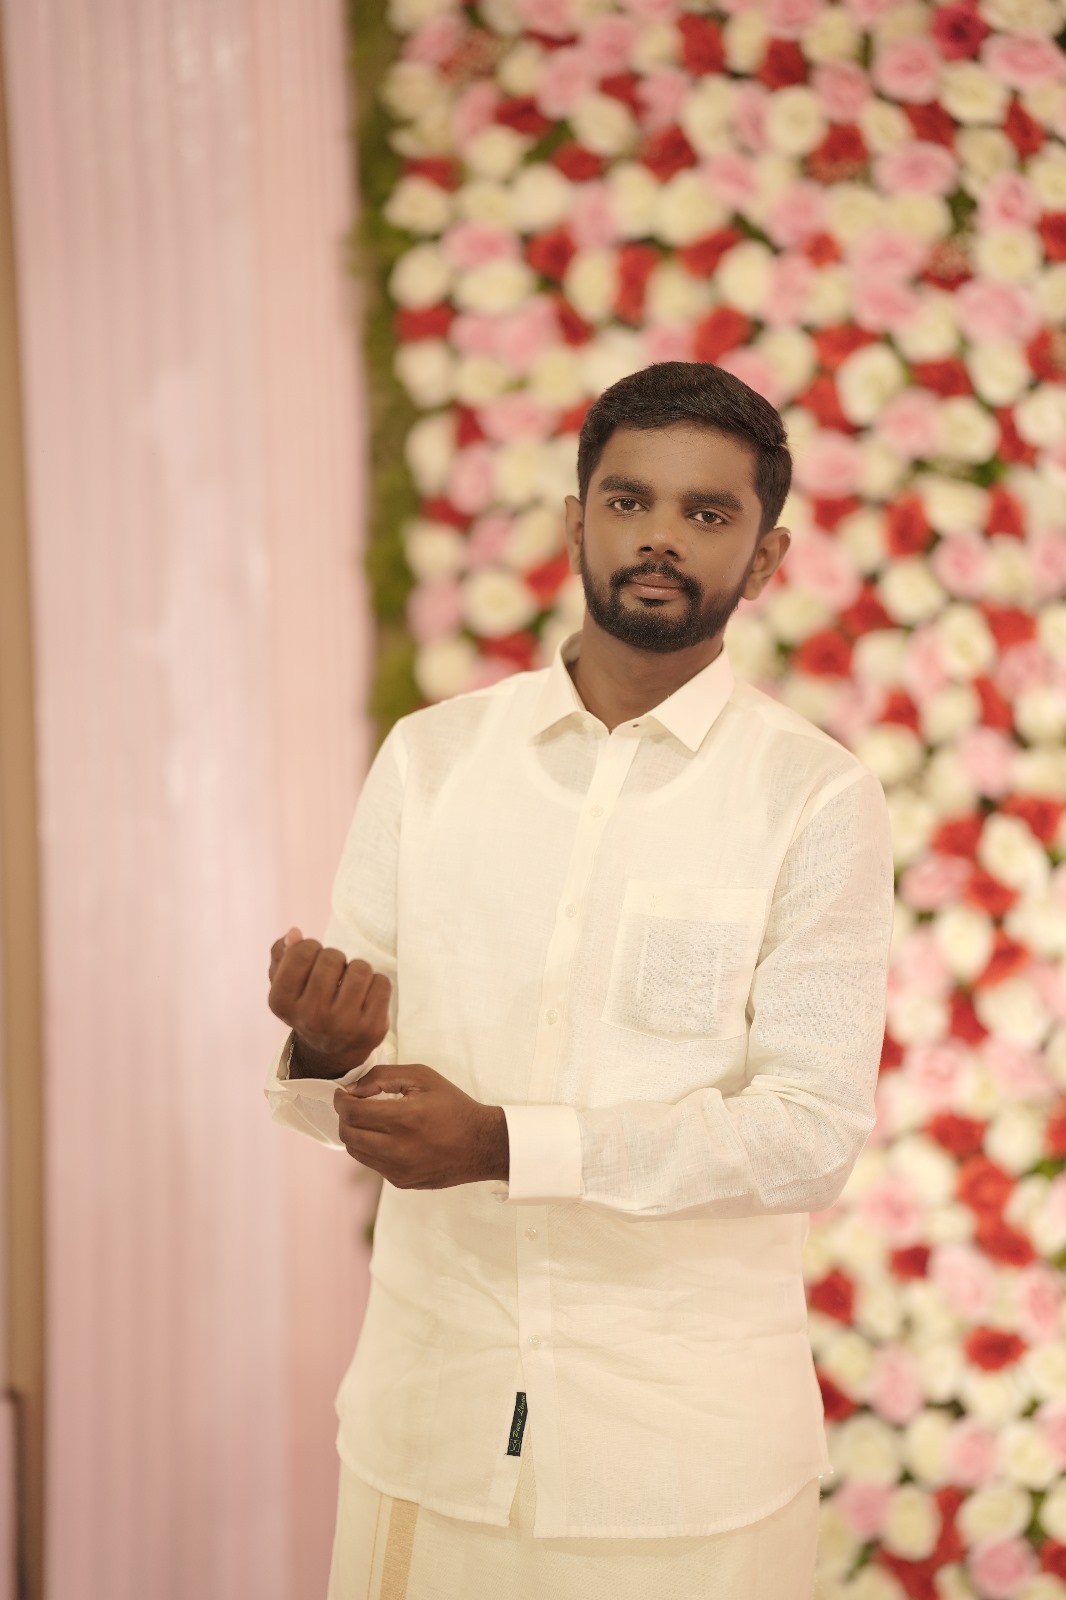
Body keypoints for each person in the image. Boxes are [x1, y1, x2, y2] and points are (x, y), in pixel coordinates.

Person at [265, 360, 894, 1600]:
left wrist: (506, 1142)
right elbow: (342, 1103)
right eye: (627, 501)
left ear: (765, 557)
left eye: (706, 513)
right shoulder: (433, 761)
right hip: (427, 1427)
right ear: (574, 523)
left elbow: (806, 1135)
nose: (660, 536)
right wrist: (328, 1056)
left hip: (679, 1466)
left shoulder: (814, 798)